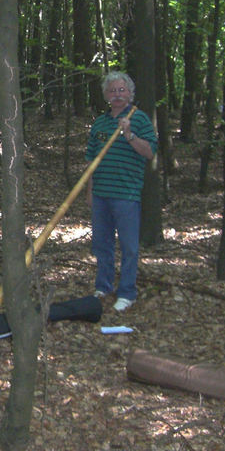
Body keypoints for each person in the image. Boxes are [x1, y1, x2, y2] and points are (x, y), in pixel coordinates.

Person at [85, 71, 157, 311]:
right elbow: (91, 161)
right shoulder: (100, 122)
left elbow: (149, 152)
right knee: (102, 245)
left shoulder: (140, 119)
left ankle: (127, 292)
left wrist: (129, 135)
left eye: (121, 90)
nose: (117, 95)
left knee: (129, 247)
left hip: (127, 194)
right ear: (106, 95)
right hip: (101, 194)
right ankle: (103, 286)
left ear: (130, 93)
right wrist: (90, 192)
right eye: (112, 91)